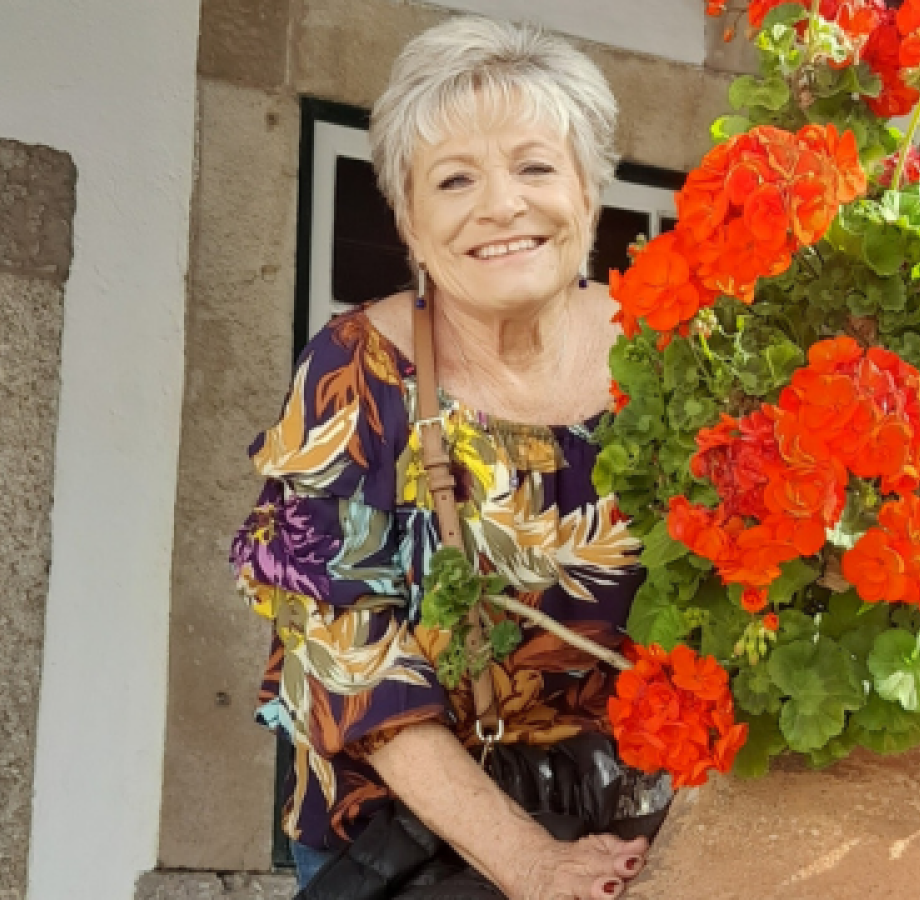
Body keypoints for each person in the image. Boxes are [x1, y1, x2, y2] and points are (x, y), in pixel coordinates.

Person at [230, 14, 667, 900]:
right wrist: (533, 863)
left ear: (590, 191)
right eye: (455, 178)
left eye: (536, 166)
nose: (502, 205)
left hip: (642, 822)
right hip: (419, 840)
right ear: (409, 220)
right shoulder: (354, 371)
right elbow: (351, 658)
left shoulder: (672, 358)